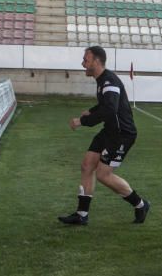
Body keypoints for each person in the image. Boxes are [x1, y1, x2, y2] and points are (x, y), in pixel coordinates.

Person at [59, 46, 150, 226]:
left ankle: (141, 204)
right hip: (109, 130)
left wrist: (83, 121)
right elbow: (105, 105)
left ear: (97, 61)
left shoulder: (109, 81)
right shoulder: (102, 80)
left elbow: (110, 109)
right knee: (87, 165)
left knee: (103, 175)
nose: (83, 63)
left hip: (122, 134)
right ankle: (81, 214)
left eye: (86, 60)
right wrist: (91, 111)